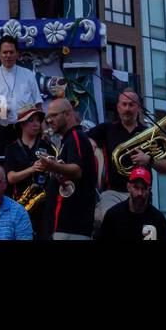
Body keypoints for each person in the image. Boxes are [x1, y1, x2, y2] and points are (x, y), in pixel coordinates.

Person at [89, 88, 166, 229]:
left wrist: (149, 160)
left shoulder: (150, 133)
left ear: (138, 107)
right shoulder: (107, 129)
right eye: (124, 104)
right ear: (117, 107)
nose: (127, 109)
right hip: (113, 192)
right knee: (104, 219)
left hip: (142, 193)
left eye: (131, 105)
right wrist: (92, 146)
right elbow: (85, 141)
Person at [0, 37, 42, 159]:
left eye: (11, 52)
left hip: (26, 130)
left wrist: (43, 130)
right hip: (1, 131)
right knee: (1, 168)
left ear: (17, 54)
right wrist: (0, 112)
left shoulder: (28, 75)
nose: (8, 55)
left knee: (28, 166)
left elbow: (38, 105)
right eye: (5, 52)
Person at [40, 97, 98, 241]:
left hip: (73, 226)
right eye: (48, 117)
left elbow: (77, 170)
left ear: (67, 114)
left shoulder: (76, 136)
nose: (49, 121)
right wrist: (54, 165)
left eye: (53, 115)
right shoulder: (67, 139)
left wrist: (52, 165)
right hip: (63, 226)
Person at [4, 105, 54, 240]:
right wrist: (32, 169)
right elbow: (11, 178)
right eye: (31, 120)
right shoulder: (11, 148)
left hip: (45, 205)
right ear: (22, 124)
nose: (37, 124)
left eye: (38, 120)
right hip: (21, 204)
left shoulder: (47, 146)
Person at [96, 168, 166, 243]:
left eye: (144, 188)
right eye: (136, 187)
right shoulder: (113, 215)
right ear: (128, 187)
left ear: (149, 190)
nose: (140, 193)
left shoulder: (158, 219)